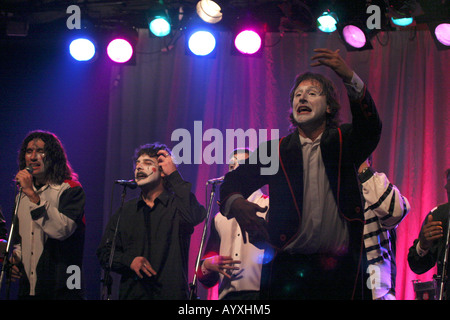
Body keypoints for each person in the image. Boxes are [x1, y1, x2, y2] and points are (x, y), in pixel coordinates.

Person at [219, 48, 382, 299]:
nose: (302, 98)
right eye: (298, 95)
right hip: (288, 271)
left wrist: (349, 76)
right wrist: (237, 203)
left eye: (312, 93)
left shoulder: (344, 141)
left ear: (329, 107)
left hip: (339, 272)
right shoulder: (277, 150)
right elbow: (232, 182)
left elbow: (371, 126)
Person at [97, 143, 206, 300]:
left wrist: (174, 175)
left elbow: (196, 215)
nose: (139, 167)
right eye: (137, 164)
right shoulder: (126, 210)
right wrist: (129, 261)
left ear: (163, 171)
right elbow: (104, 252)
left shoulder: (177, 206)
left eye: (147, 163)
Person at [10, 130, 86, 299]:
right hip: (28, 289)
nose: (34, 157)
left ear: (53, 157)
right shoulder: (21, 197)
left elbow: (61, 230)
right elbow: (20, 241)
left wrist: (33, 196)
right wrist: (15, 259)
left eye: (41, 151)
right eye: (29, 152)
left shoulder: (70, 189)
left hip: (63, 286)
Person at [198, 148, 269, 300]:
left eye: (242, 165)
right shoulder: (219, 217)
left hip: (263, 294)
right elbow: (205, 271)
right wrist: (208, 265)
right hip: (227, 296)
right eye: (231, 167)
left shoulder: (270, 205)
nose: (235, 170)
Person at [358, 157, 410, 300]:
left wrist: (364, 169)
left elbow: (396, 211)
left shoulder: (374, 188)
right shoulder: (335, 189)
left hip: (375, 287)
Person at [408, 168, 450, 298]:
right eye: (447, 183)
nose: (446, 186)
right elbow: (417, 266)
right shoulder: (439, 217)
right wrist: (423, 246)